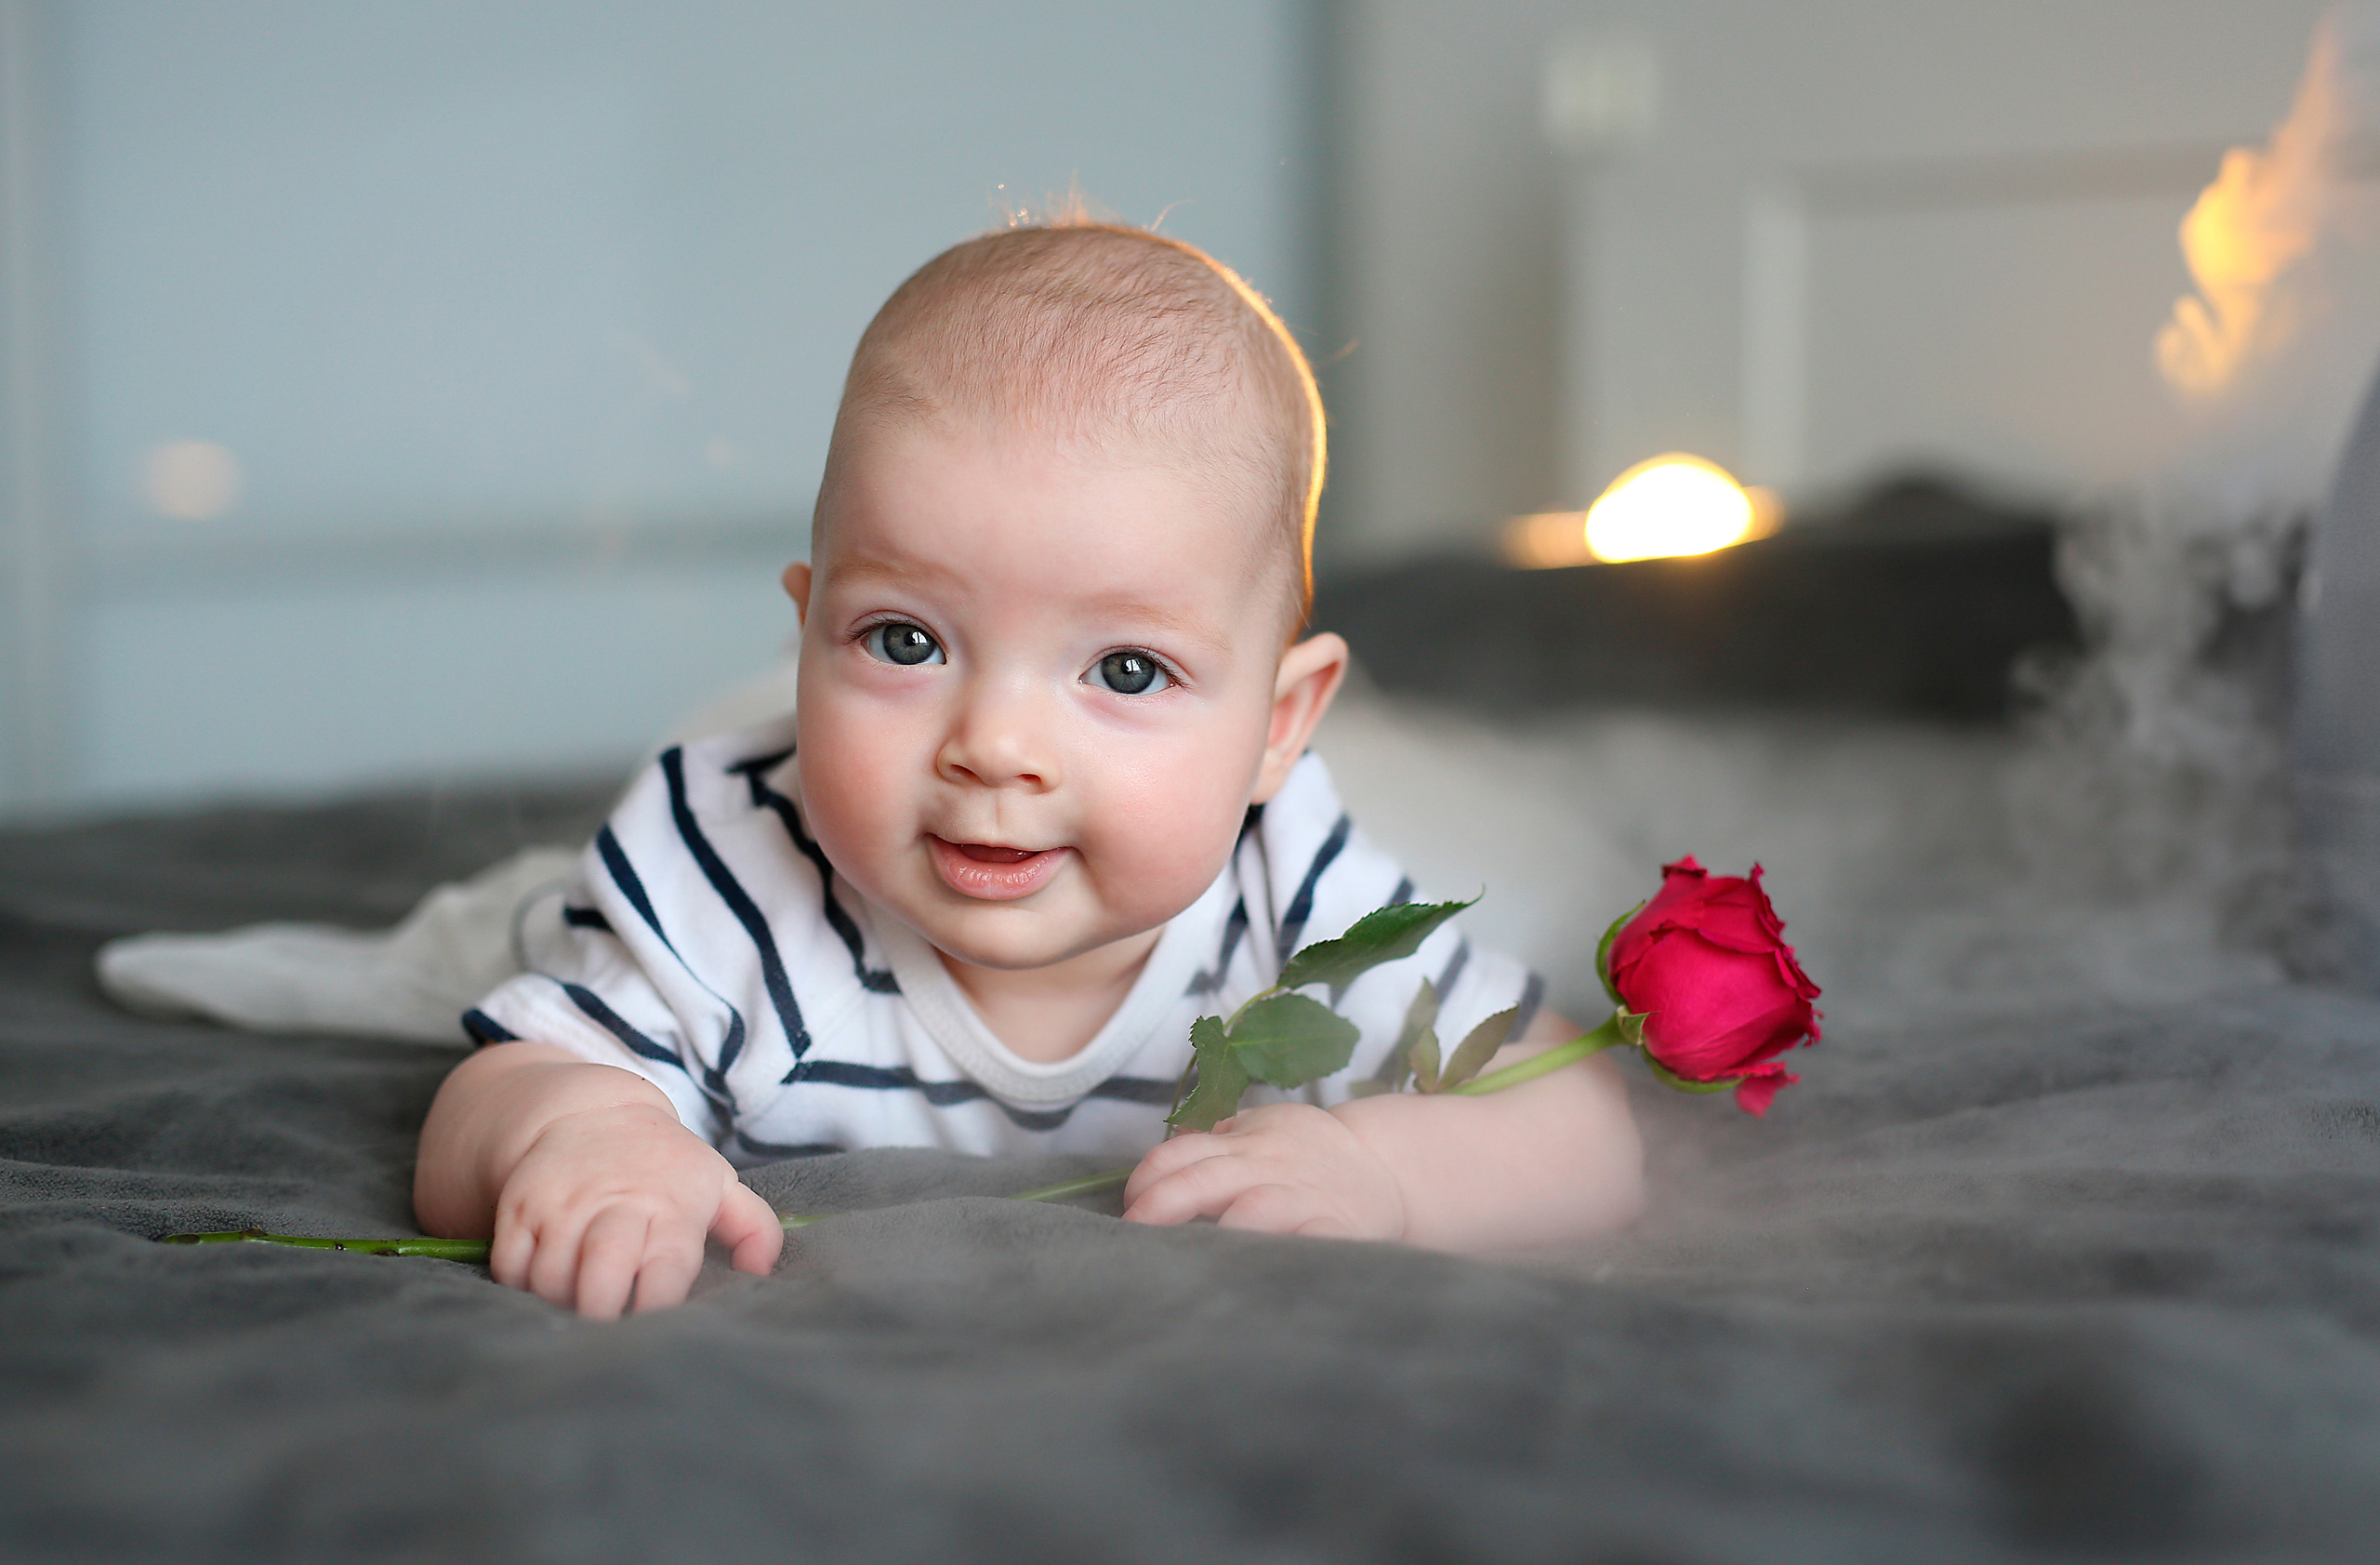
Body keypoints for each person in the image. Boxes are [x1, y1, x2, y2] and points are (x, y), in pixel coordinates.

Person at [413, 220, 1644, 1318]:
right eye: (906, 642)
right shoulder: (737, 878)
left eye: (1123, 672)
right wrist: (589, 1133)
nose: (994, 745)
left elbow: (1576, 1128)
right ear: (806, 640)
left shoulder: (1295, 896)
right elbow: (500, 1091)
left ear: (1279, 725)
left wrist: (1386, 1172)